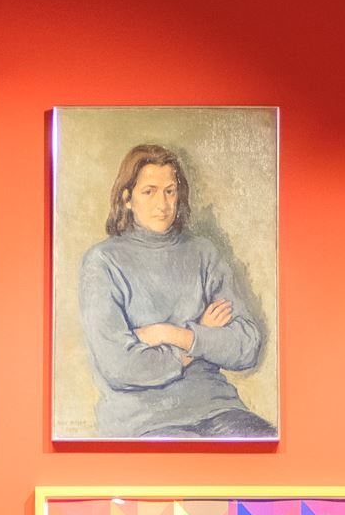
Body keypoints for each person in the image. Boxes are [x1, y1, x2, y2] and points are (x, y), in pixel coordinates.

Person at [74, 143, 272, 439]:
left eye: (170, 191)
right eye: (149, 191)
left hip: (219, 408)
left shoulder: (203, 253)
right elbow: (121, 366)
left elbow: (247, 345)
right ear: (127, 198)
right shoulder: (102, 262)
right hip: (142, 420)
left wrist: (170, 333)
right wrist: (201, 340)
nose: (162, 204)